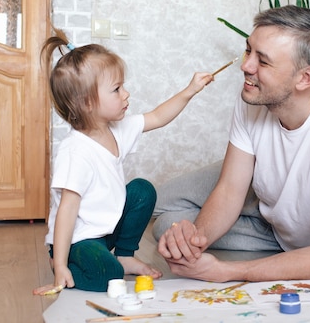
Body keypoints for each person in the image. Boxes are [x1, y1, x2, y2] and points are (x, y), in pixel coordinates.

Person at [154, 5, 310, 283]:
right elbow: (229, 190)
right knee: (169, 226)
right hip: (268, 209)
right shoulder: (254, 96)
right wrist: (192, 245)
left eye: (262, 61)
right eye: (248, 50)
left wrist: (228, 271)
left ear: (305, 78)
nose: (246, 66)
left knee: (173, 226)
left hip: (302, 241)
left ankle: (289, 257)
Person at [33, 29, 213, 294]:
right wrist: (60, 265)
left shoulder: (117, 128)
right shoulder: (76, 152)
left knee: (142, 190)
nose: (126, 94)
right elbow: (66, 212)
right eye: (117, 89)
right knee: (110, 276)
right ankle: (70, 261)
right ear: (87, 103)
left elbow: (158, 116)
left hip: (107, 228)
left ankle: (125, 254)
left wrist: (190, 90)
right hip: (79, 239)